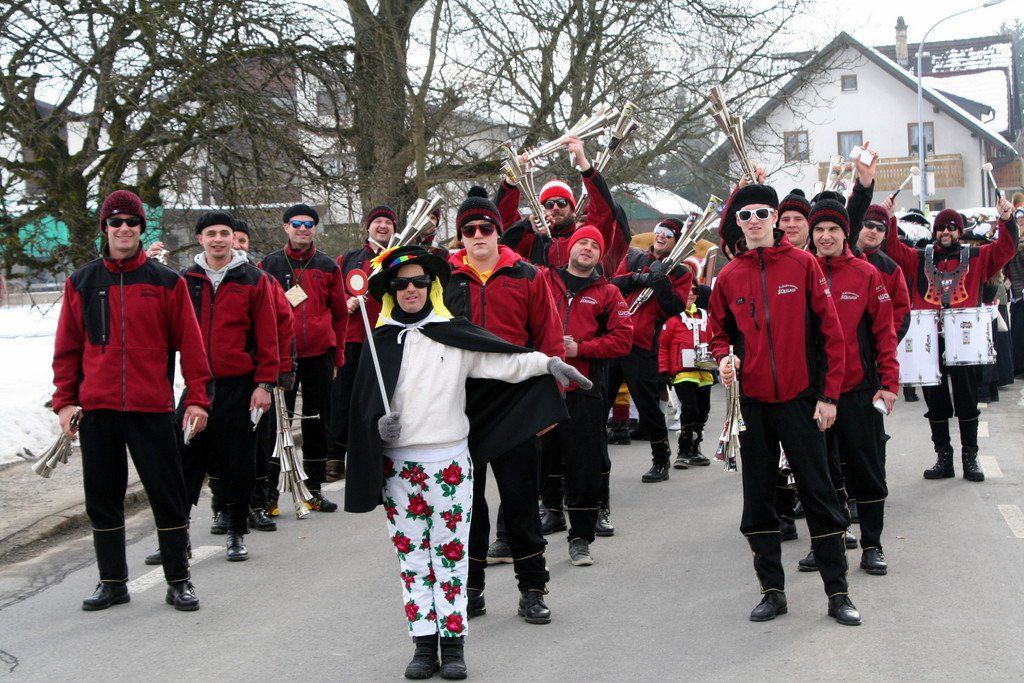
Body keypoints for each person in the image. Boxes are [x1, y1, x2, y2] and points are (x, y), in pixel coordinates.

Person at [344, 245, 585, 680]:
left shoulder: (453, 334)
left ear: (432, 286)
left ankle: (453, 647)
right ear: (390, 291)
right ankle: (423, 646)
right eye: (401, 284)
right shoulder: (379, 343)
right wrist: (377, 425)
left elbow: (504, 361)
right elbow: (361, 404)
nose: (411, 289)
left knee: (450, 556)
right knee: (413, 560)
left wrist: (548, 363)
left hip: (449, 464)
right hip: (399, 470)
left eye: (420, 281)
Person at [709, 183, 861, 626]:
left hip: (801, 400)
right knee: (758, 500)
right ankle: (771, 592)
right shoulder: (728, 276)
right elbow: (718, 333)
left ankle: (838, 593)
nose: (754, 221)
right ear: (737, 223)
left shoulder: (803, 264)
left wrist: (829, 396)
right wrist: (724, 359)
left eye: (762, 213)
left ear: (775, 218)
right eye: (745, 215)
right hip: (753, 404)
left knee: (818, 494)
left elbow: (832, 335)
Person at [52, 190, 211, 611]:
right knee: (102, 497)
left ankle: (179, 580)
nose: (124, 229)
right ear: (104, 228)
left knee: (167, 494)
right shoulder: (82, 282)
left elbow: (192, 346)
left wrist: (197, 398)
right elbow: (67, 349)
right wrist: (64, 401)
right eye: (116, 222)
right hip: (99, 408)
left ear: (142, 228)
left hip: (151, 407)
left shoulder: (166, 282)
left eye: (132, 222)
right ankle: (112, 582)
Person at [443, 187, 565, 624]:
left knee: (520, 502)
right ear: (461, 236)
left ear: (498, 231)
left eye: (485, 227)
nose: (478, 235)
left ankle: (532, 589)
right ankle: (471, 590)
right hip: (462, 404)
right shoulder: (444, 277)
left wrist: (549, 404)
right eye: (469, 230)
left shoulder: (527, 275)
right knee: (467, 505)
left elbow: (549, 340)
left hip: (517, 400)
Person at [883, 198, 1017, 482]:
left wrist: (1007, 221)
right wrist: (890, 219)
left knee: (967, 399)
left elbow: (1006, 249)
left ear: (960, 231)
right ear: (935, 231)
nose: (946, 232)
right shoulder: (920, 258)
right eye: (942, 227)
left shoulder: (977, 256)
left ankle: (970, 456)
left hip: (964, 339)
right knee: (936, 401)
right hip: (929, 341)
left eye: (952, 227)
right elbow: (893, 249)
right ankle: (943, 456)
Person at [806, 200, 899, 576]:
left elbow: (885, 332)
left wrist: (888, 383)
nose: (825, 236)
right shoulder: (802, 270)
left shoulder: (866, 273)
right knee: (820, 473)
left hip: (859, 390)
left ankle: (872, 544)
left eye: (833, 229)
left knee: (867, 470)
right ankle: (828, 539)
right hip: (813, 394)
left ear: (847, 233)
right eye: (819, 230)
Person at [538, 226, 633, 565]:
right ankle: (540, 521)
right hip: (541, 387)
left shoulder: (608, 292)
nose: (588, 248)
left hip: (584, 389)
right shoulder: (543, 280)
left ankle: (580, 538)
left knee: (584, 466)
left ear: (599, 255)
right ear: (570, 248)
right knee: (539, 460)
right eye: (583, 242)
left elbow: (623, 339)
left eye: (595, 245)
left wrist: (581, 348)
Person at [260, 204, 348, 511]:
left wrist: (338, 357)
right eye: (296, 224)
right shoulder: (269, 264)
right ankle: (269, 493)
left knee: (317, 422)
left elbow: (340, 315)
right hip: (281, 357)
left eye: (309, 224)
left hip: (319, 355)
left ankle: (313, 490)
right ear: (286, 227)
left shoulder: (327, 266)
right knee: (276, 424)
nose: (302, 229)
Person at [609, 217, 692, 482]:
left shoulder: (681, 272)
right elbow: (613, 283)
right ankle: (590, 462)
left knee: (648, 406)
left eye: (669, 234)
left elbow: (673, 308)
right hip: (614, 339)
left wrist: (661, 282)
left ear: (676, 241)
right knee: (598, 404)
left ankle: (661, 459)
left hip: (641, 345)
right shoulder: (634, 258)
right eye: (660, 231)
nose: (662, 236)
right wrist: (641, 278)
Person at [329, 205, 398, 482]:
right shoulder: (348, 259)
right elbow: (333, 293)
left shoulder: (397, 258)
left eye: (388, 222)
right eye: (377, 221)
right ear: (367, 227)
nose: (383, 226)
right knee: (342, 399)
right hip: (351, 339)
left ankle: (376, 454)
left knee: (377, 399)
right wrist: (345, 300)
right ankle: (335, 455)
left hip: (383, 338)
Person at [496, 136, 628, 274]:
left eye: (562, 203)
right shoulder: (529, 238)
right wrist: (513, 179)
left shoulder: (586, 237)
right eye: (549, 204)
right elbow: (502, 223)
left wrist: (583, 164)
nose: (555, 208)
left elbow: (605, 211)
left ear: (572, 208)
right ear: (541, 208)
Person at [658, 281, 713, 468]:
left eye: (694, 290)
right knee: (690, 409)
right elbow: (663, 347)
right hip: (682, 372)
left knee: (703, 410)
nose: (691, 293)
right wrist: (663, 371)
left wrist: (719, 361)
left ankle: (695, 449)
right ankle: (683, 450)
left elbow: (714, 341)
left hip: (704, 370)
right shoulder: (673, 318)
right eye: (687, 290)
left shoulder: (705, 317)